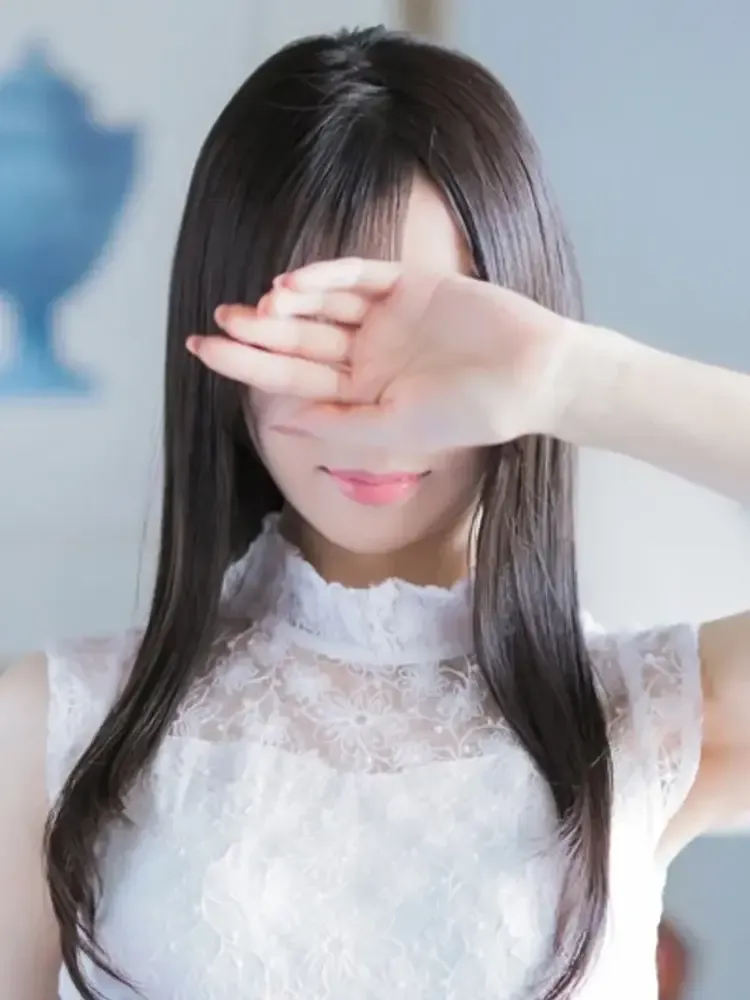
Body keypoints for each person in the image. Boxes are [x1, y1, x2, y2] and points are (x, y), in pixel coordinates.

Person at [0, 25, 747, 1000]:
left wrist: (573, 378)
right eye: (318, 336)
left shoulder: (650, 719)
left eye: (433, 341)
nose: (378, 410)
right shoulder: (54, 729)